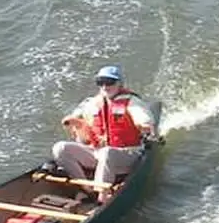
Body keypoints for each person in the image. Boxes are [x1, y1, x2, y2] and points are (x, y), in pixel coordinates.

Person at [51, 65, 156, 203]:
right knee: (60, 148)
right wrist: (72, 120)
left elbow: (142, 116)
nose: (105, 86)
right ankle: (87, 189)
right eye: (101, 82)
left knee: (107, 153)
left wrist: (144, 124)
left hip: (127, 154)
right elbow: (76, 116)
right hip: (98, 153)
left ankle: (102, 198)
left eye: (110, 82)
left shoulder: (131, 102)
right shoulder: (92, 103)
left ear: (120, 84)